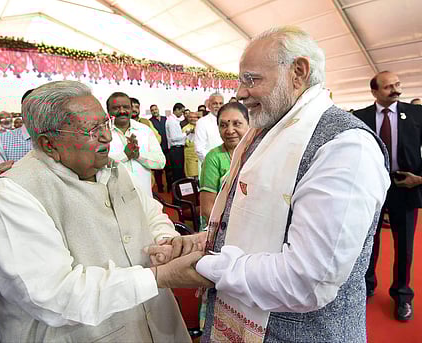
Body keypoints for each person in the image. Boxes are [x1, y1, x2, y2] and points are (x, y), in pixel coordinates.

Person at [149, 26, 391, 342]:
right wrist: (204, 242)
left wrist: (206, 267)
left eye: (252, 79)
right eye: (241, 81)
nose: (241, 92)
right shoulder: (264, 131)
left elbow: (306, 282)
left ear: (298, 72)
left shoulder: (347, 147)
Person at [0, 81, 208, 342]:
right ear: (49, 143)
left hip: (153, 322)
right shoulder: (13, 196)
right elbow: (54, 295)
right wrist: (159, 276)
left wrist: (166, 242)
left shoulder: (111, 168)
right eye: (91, 130)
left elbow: (151, 214)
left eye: (104, 124)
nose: (107, 136)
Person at [354, 71, 422, 321]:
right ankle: (367, 285)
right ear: (374, 92)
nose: (396, 90)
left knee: (404, 246)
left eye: (397, 85)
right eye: (388, 87)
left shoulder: (417, 114)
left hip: (406, 187)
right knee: (368, 243)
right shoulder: (359, 117)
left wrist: (419, 179)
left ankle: (403, 296)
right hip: (370, 190)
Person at [199, 102, 249, 227]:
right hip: (221, 228)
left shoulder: (257, 152)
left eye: (237, 124)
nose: (230, 130)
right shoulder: (214, 158)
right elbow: (207, 209)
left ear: (249, 125)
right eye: (223, 125)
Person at [108, 92, 165, 196]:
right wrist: (125, 155)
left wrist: (138, 155)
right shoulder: (102, 133)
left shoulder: (144, 130)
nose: (122, 111)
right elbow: (100, 168)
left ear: (130, 109)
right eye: (116, 108)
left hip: (144, 197)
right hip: (116, 199)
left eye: (126, 107)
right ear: (108, 111)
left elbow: (160, 162)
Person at [194, 93, 224, 169]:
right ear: (209, 106)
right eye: (215, 103)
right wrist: (216, 162)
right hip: (210, 166)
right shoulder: (202, 122)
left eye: (221, 103)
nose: (218, 106)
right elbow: (199, 149)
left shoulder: (227, 121)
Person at [149, 104, 171, 192]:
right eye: (152, 110)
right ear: (151, 112)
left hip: (167, 148)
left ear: (158, 109)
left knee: (169, 169)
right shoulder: (149, 122)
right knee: (158, 171)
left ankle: (169, 187)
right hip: (157, 150)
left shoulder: (166, 119)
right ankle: (160, 188)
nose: (154, 111)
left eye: (155, 109)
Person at [166, 103, 187, 182]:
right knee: (178, 173)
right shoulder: (171, 121)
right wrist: (186, 134)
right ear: (177, 110)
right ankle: (177, 191)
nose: (182, 114)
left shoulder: (174, 120)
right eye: (181, 111)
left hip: (178, 149)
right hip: (176, 150)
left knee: (179, 172)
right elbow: (174, 138)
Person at [182, 112, 200, 178]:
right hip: (190, 155)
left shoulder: (201, 127)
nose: (193, 119)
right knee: (191, 176)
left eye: (194, 117)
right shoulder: (185, 128)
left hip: (200, 155)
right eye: (190, 117)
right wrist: (191, 133)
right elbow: (186, 142)